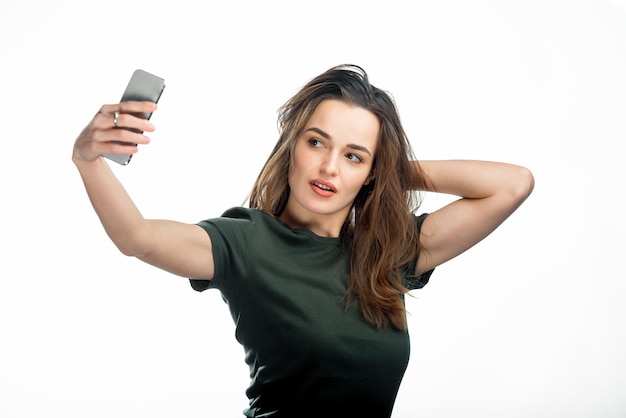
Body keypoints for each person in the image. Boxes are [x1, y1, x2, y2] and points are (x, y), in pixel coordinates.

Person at [72, 64, 534, 417]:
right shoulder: (246, 243)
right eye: (317, 142)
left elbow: (512, 184)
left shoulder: (388, 253)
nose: (330, 167)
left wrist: (386, 170)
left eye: (353, 156)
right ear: (292, 146)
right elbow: (139, 238)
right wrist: (88, 159)